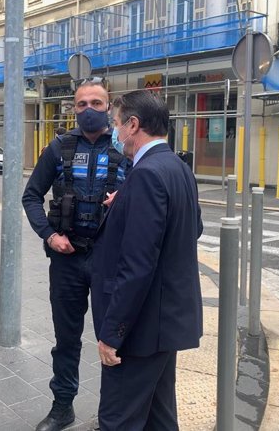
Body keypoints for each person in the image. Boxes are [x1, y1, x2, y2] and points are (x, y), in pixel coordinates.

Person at [89, 90, 203, 429]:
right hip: (164, 326)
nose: (115, 132)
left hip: (141, 332)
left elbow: (136, 266)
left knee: (117, 420)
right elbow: (190, 229)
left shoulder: (146, 175)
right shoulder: (177, 168)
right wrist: (126, 207)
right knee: (159, 418)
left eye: (116, 124)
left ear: (133, 124)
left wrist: (112, 333)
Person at [22, 78, 130, 431]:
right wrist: (50, 236)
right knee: (66, 339)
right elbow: (31, 196)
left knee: (112, 341)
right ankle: (62, 407)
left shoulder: (126, 150)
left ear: (109, 106)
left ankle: (112, 416)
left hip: (108, 262)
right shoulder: (58, 148)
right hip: (67, 260)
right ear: (73, 106)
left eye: (96, 103)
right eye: (82, 103)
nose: (88, 110)